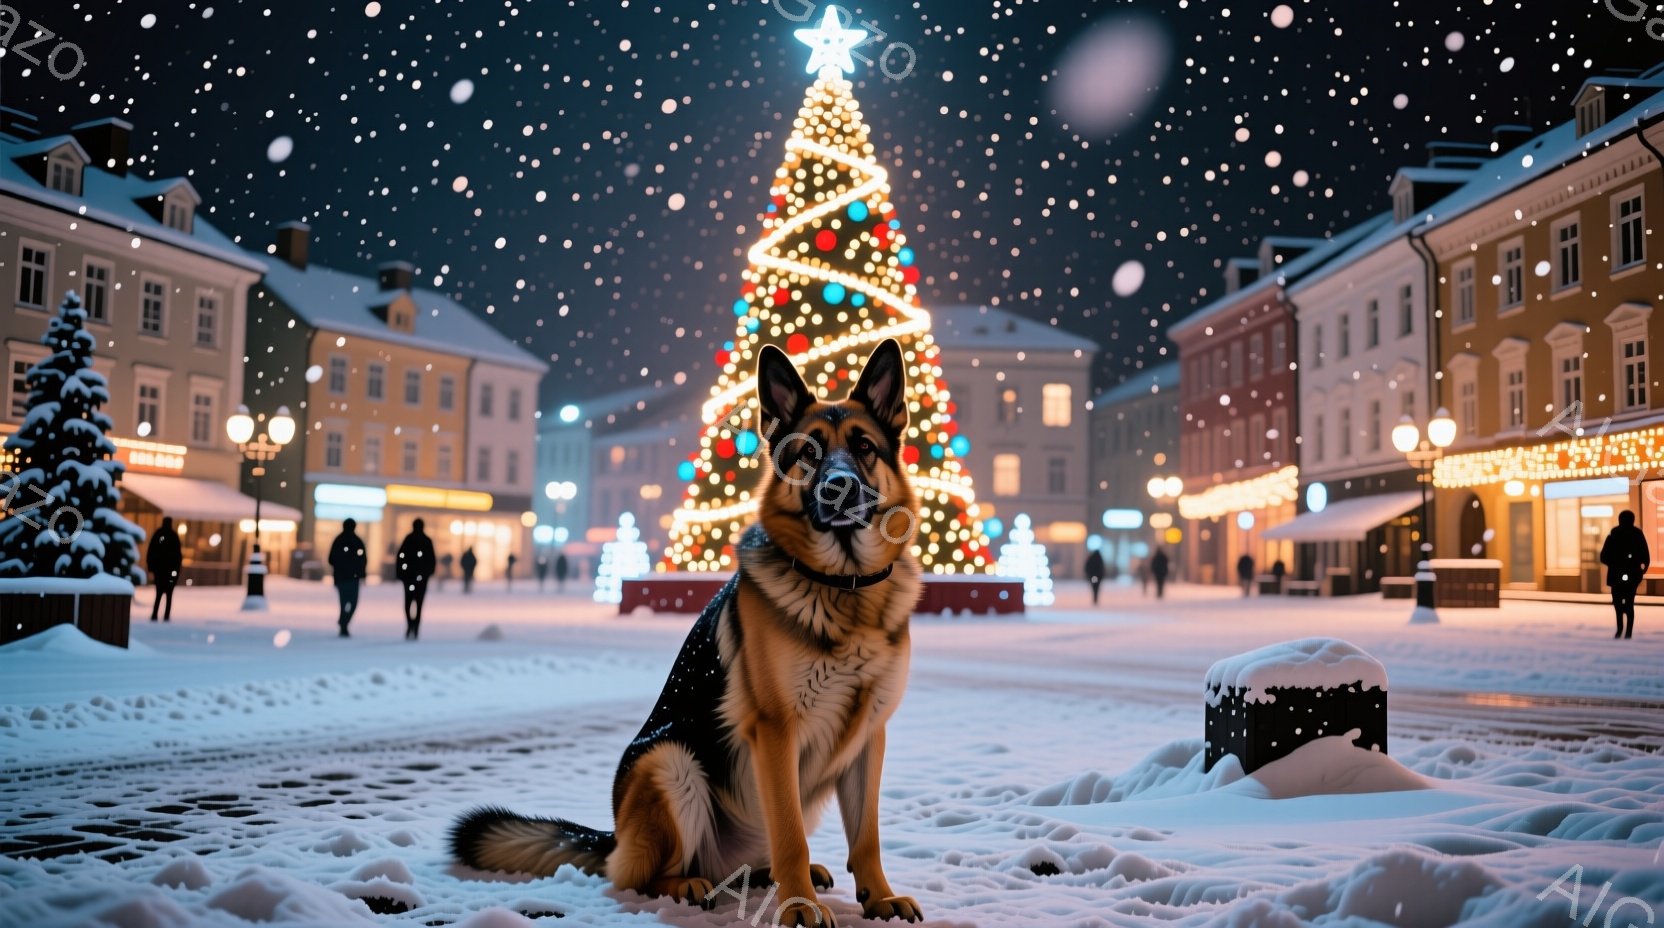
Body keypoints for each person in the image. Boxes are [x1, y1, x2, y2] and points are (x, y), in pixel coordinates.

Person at [1600, 510, 1650, 639]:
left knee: (1621, 604)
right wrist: (1642, 569)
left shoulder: (1615, 534)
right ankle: (1626, 631)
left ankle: (1622, 630)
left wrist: (1614, 563)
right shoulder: (1635, 535)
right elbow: (1645, 555)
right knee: (1627, 604)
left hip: (1619, 575)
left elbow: (1604, 556)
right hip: (1629, 574)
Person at [396, 519, 436, 641]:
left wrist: (401, 572)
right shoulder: (426, 541)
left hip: (410, 577)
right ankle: (414, 626)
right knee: (418, 604)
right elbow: (431, 560)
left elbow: (401, 557)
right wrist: (427, 573)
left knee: (409, 603)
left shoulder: (409, 539)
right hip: (419, 578)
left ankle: (411, 625)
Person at [328, 518, 368, 637]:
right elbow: (363, 560)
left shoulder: (339, 540)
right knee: (352, 602)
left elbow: (331, 559)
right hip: (351, 578)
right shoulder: (356, 541)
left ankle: (343, 622)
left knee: (345, 602)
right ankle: (344, 623)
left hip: (343, 577)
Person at [145, 516, 183, 622]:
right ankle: (166, 615)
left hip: (160, 571)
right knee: (169, 595)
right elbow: (178, 556)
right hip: (169, 571)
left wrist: (151, 567)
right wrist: (176, 571)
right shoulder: (173, 536)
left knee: (159, 594)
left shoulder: (159, 534)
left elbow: (152, 551)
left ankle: (155, 614)